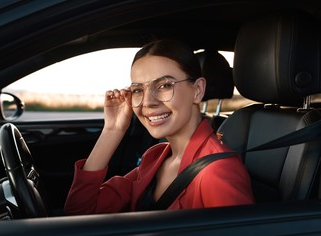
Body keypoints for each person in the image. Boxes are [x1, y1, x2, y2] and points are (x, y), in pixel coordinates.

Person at [64, 39, 254, 215]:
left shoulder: (216, 171)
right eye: (138, 90)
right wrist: (112, 130)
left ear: (197, 90)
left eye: (164, 85)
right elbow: (79, 212)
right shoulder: (155, 157)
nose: (147, 102)